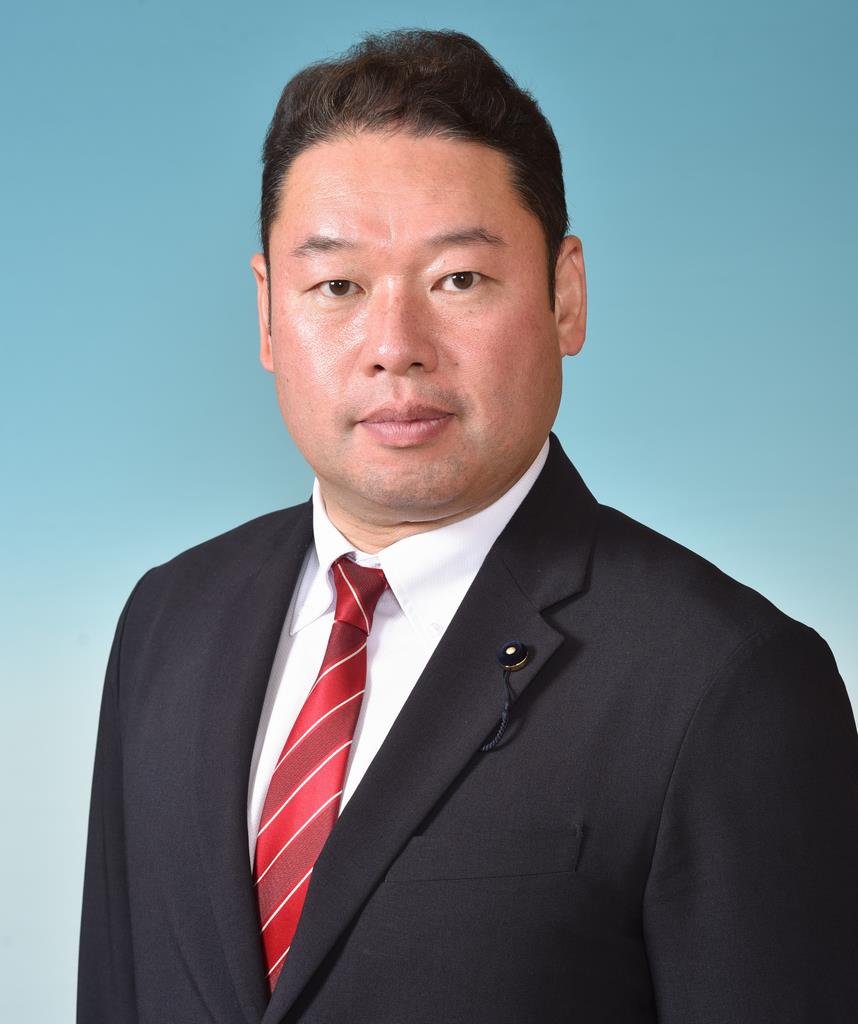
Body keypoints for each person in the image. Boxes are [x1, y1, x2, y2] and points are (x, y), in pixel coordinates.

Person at [77, 27, 858, 1024]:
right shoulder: (168, 620)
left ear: (565, 296)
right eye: (337, 286)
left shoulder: (727, 682)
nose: (395, 347)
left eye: (459, 279)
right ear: (269, 313)